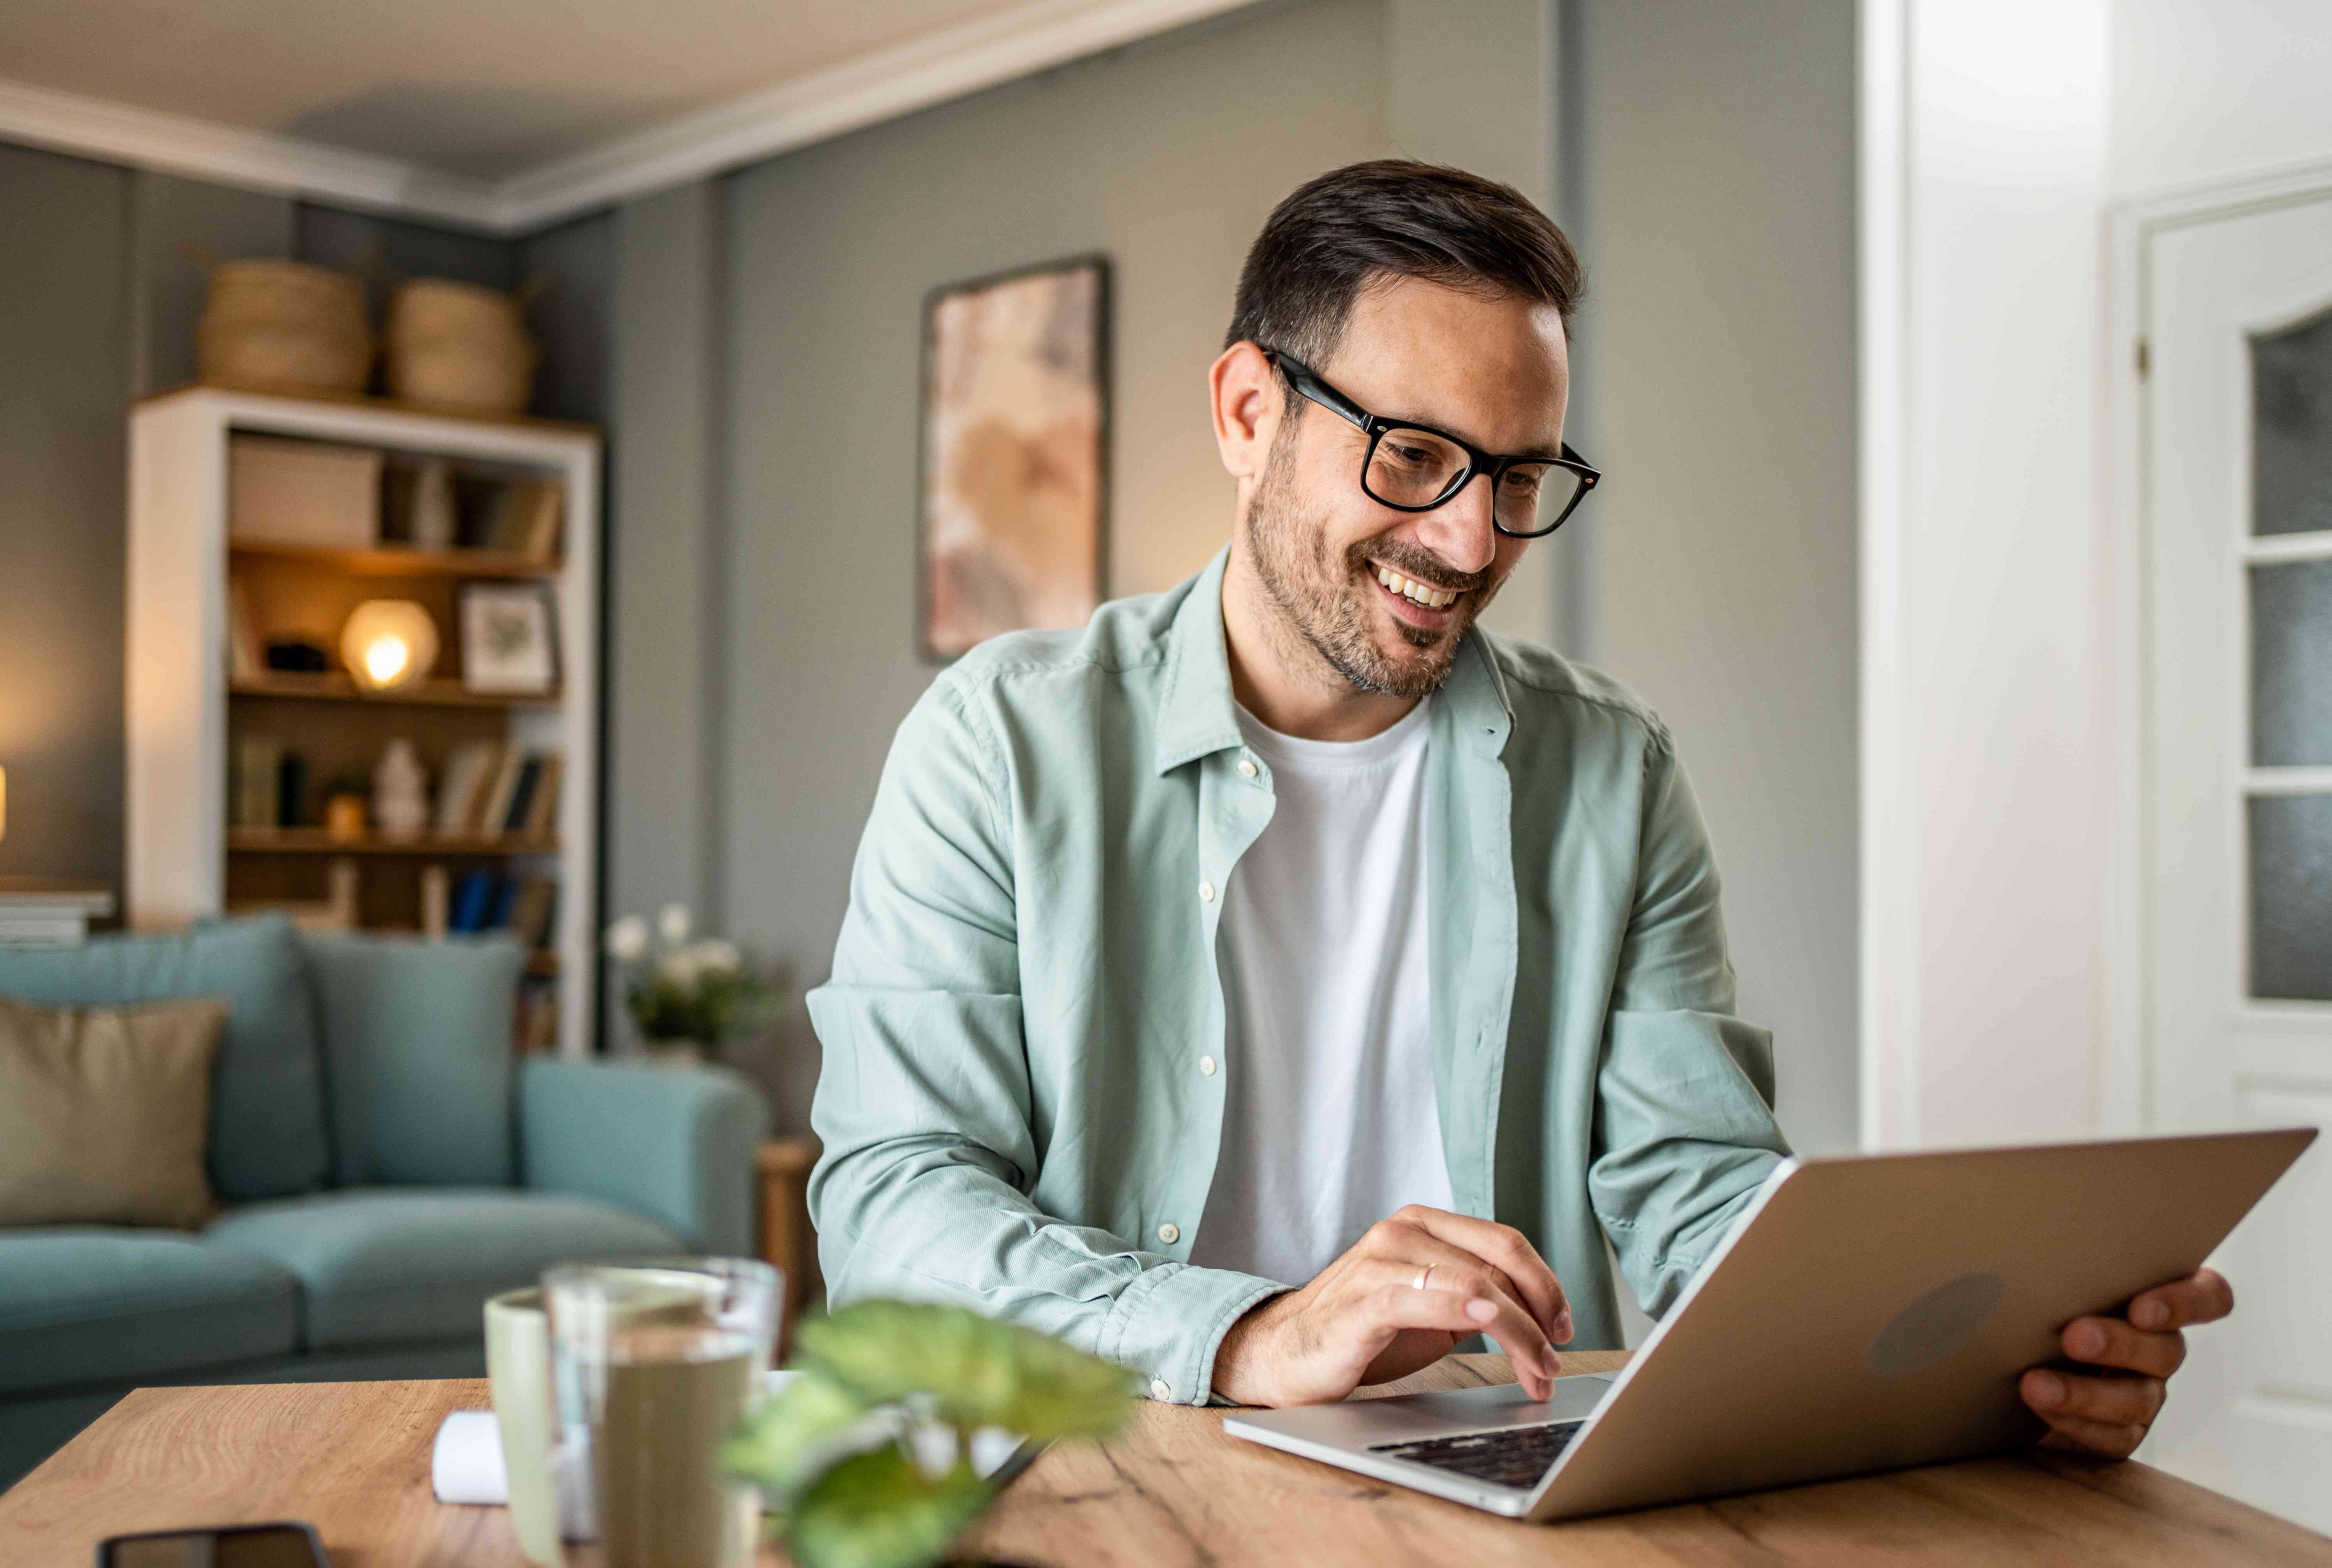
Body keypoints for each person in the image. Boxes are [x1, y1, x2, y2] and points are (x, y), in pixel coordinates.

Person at [809, 160, 2227, 1454]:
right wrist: (1251, 1333)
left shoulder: (1613, 769)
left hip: (1491, 1483)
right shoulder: (1005, 738)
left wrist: (1967, 1363)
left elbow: (1694, 1186)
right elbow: (893, 1205)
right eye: (1414, 457)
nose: (1471, 539)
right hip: (1119, 1460)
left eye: (1521, 476)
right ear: (1250, 414)